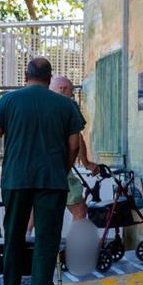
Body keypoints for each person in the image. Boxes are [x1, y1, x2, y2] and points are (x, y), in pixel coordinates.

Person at [0, 58, 85, 285]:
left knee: (15, 235)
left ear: (26, 76)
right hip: (52, 179)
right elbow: (74, 144)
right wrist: (62, 168)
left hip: (16, 178)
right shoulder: (66, 105)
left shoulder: (8, 101)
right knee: (47, 239)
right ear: (49, 78)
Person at [49, 75, 99, 220]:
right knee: (80, 210)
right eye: (71, 94)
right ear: (63, 89)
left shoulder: (33, 104)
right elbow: (77, 139)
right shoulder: (67, 105)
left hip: (31, 169)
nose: (71, 97)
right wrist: (86, 163)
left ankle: (25, 241)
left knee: (34, 212)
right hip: (59, 166)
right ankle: (78, 243)